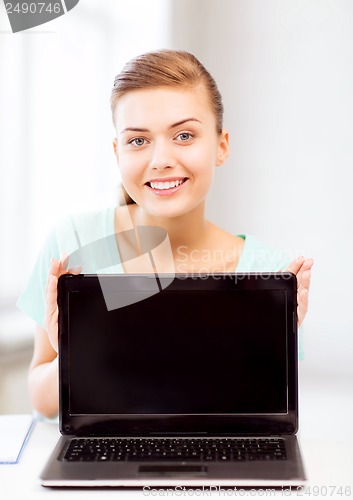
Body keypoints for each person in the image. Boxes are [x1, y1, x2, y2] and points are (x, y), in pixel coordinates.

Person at [17, 49, 313, 419]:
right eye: (138, 141)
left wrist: (271, 342)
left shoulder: (267, 268)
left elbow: (260, 416)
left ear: (221, 145)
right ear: (117, 152)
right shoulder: (72, 242)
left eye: (184, 135)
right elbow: (41, 401)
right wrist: (76, 351)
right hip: (101, 459)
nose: (160, 159)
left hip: (216, 466)